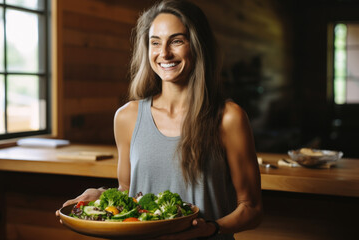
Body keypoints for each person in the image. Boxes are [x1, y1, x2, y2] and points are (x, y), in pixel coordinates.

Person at [56, 0, 263, 239]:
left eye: (176, 41)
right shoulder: (127, 117)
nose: (164, 53)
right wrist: (101, 194)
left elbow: (252, 209)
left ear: (197, 45)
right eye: (155, 42)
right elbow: (129, 192)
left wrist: (212, 228)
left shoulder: (228, 117)